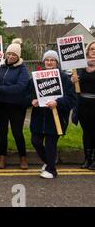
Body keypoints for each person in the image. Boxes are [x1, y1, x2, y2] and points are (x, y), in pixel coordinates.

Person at [31, 50, 77, 179]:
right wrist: (33, 100)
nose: (49, 62)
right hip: (39, 117)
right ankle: (49, 162)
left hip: (56, 118)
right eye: (47, 60)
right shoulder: (38, 76)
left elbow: (72, 99)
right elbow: (30, 93)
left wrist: (57, 102)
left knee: (51, 144)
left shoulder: (64, 78)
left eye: (52, 60)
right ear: (44, 61)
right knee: (36, 141)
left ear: (57, 62)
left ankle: (52, 170)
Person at [0, 39, 31, 169]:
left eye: (14, 54)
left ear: (18, 56)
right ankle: (2, 158)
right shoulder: (0, 66)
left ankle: (23, 158)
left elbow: (20, 87)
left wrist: (1, 88)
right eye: (9, 53)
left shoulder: (23, 69)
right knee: (2, 132)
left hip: (16, 106)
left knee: (17, 132)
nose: (11, 56)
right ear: (5, 54)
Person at [71, 41, 95, 170]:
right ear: (87, 51)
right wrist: (73, 80)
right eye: (92, 49)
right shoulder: (80, 66)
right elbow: (74, 84)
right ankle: (87, 159)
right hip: (83, 105)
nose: (94, 51)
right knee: (87, 132)